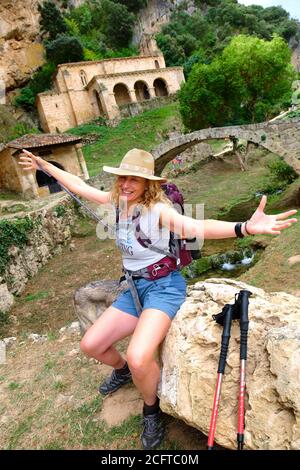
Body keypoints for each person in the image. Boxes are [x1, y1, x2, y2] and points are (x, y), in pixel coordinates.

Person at [19, 148, 297, 450]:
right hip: (134, 289)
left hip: (164, 287)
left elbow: (195, 228)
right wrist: (45, 165)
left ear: (147, 183)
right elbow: (81, 187)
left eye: (134, 180)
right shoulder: (117, 202)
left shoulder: (159, 210)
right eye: (123, 178)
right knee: (91, 344)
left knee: (141, 356)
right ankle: (123, 371)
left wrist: (244, 227)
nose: (126, 184)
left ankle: (151, 409)